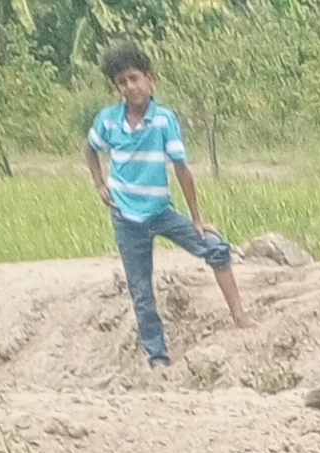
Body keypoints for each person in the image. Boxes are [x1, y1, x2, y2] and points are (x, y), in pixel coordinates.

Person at [84, 45, 249, 372]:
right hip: (126, 216)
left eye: (134, 78)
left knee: (216, 248)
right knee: (141, 291)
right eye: (122, 82)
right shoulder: (108, 121)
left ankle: (240, 317)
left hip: (160, 211)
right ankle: (158, 357)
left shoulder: (163, 121)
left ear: (151, 79)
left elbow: (181, 168)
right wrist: (100, 184)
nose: (130, 87)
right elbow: (90, 149)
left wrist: (197, 219)